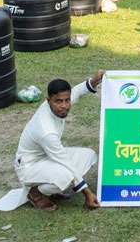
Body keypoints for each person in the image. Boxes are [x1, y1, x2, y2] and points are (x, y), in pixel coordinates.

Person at [15, 70, 106, 212]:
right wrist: (87, 193)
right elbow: (64, 162)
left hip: (46, 157)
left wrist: (95, 80)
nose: (64, 105)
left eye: (66, 100)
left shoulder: (61, 104)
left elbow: (77, 91)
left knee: (89, 155)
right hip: (28, 166)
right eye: (58, 101)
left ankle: (50, 189)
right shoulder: (45, 130)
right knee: (66, 174)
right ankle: (37, 193)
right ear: (49, 101)